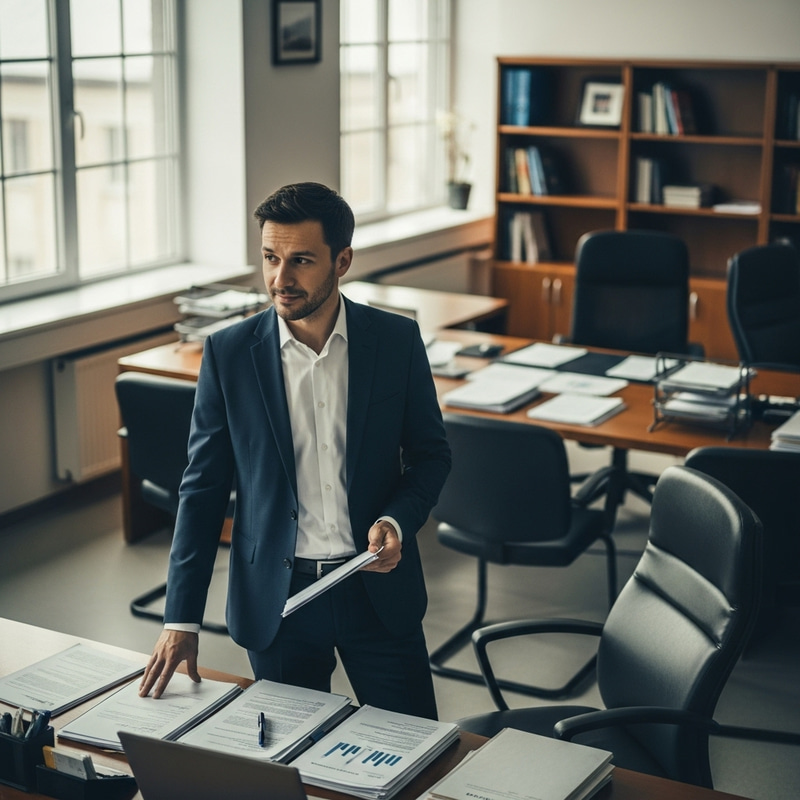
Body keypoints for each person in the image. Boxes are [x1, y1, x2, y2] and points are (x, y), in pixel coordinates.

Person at [138, 182, 451, 720]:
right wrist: (180, 619)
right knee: (291, 755)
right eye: (270, 258)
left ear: (342, 260)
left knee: (415, 745)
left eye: (301, 260)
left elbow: (431, 455)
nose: (280, 279)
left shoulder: (397, 341)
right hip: (278, 601)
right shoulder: (228, 354)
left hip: (376, 590)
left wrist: (396, 521)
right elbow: (202, 489)